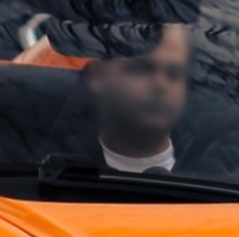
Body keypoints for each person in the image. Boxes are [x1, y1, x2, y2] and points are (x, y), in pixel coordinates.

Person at [79, 24, 189, 172]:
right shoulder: (51, 167)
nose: (160, 84)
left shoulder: (218, 176)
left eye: (174, 72)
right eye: (142, 68)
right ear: (97, 74)